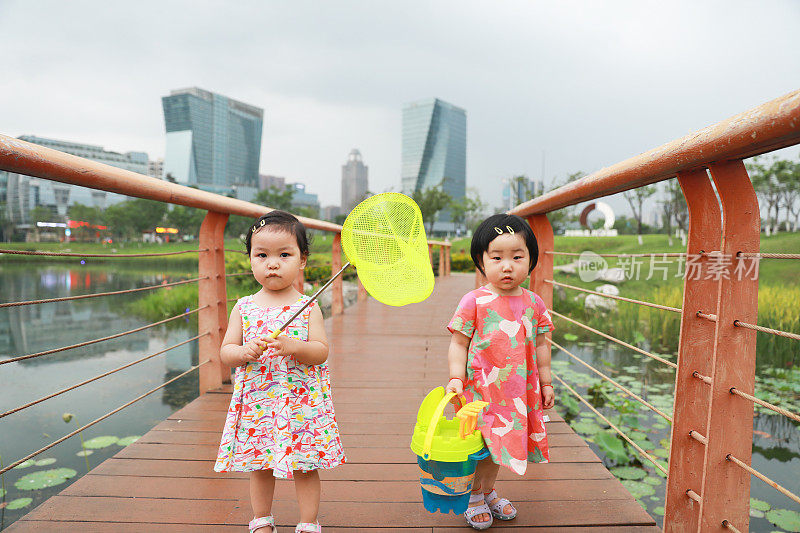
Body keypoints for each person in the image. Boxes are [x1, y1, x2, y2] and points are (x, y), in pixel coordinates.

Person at [214, 211, 346, 533]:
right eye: (262, 255)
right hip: (259, 404)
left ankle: (308, 521)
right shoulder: (243, 307)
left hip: (301, 404)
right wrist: (243, 352)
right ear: (250, 261)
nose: (272, 264)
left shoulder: (308, 306)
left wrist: (294, 346)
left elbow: (320, 352)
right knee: (259, 465)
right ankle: (261, 519)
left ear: (302, 260)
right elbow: (226, 352)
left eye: (284, 255)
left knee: (305, 465)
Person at [444, 213, 555, 530]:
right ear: (481, 261)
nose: (507, 266)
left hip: (517, 393)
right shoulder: (474, 301)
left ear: (530, 259)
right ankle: (473, 495)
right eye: (497, 257)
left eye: (517, 257)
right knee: (479, 446)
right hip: (480, 390)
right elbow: (458, 343)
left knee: (500, 447)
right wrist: (455, 376)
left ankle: (487, 490)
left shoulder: (534, 303)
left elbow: (543, 345)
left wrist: (546, 382)